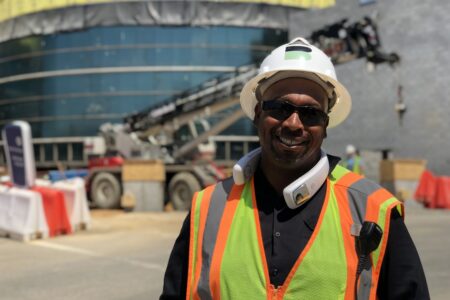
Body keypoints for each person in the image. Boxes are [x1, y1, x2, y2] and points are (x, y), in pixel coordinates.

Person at [161, 37, 429, 299]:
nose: (293, 123)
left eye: (310, 113)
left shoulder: (373, 210)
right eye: (280, 107)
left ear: (325, 125)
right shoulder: (208, 209)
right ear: (257, 114)